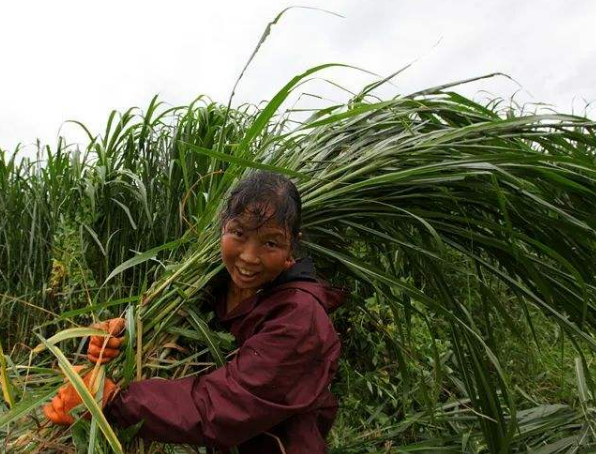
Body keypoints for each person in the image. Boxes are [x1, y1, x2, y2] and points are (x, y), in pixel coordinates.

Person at [44, 171, 347, 454]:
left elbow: (224, 406)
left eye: (270, 242)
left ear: (292, 246)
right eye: (239, 234)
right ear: (223, 227)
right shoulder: (209, 286)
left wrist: (108, 400)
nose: (249, 257)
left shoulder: (300, 318)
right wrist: (126, 334)